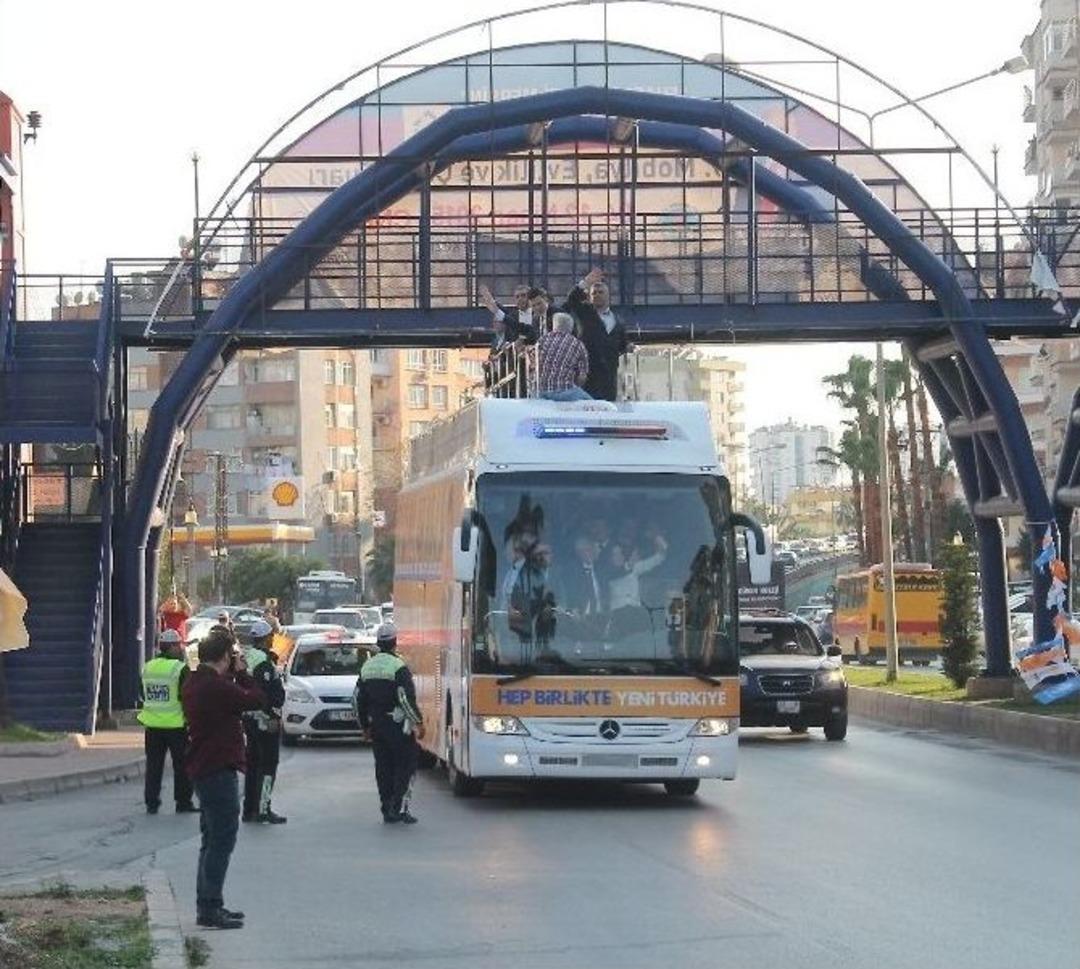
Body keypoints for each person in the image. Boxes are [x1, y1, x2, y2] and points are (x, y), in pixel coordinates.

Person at [181, 626, 267, 930]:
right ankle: (210, 907)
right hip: (217, 769)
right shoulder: (217, 687)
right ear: (224, 657)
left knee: (210, 840)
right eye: (233, 656)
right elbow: (257, 699)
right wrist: (243, 673)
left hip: (205, 767)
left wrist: (233, 672)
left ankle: (208, 904)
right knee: (221, 840)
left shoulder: (197, 681)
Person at [354, 624, 425, 824]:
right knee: (407, 765)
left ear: (378, 643)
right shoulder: (398, 666)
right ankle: (400, 809)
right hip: (398, 726)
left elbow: (358, 699)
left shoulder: (367, 666)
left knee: (383, 768)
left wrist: (364, 727)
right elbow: (404, 698)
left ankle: (386, 808)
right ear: (395, 642)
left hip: (377, 726)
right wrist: (418, 722)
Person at [139, 628, 197, 815]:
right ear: (171, 647)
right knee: (182, 766)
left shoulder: (148, 666)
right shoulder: (180, 669)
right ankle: (183, 802)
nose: (181, 649)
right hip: (176, 726)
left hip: (153, 726)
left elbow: (142, 693)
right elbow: (187, 697)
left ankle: (151, 802)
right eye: (178, 645)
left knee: (153, 766)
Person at [241, 619, 287, 825]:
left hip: (249, 719)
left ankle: (249, 809)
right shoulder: (263, 664)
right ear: (266, 638)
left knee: (252, 764)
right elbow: (268, 694)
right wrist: (274, 717)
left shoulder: (247, 657)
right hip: (264, 720)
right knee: (268, 765)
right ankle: (263, 808)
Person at [565, 267, 631, 402]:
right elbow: (571, 299)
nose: (597, 295)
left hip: (609, 379)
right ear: (589, 297)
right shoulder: (584, 313)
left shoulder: (618, 321)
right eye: (594, 293)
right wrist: (586, 282)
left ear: (608, 296)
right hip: (587, 377)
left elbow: (621, 345)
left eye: (601, 292)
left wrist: (628, 347)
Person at [607, 532, 668, 611]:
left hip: (636, 614)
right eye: (615, 554)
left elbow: (657, 559)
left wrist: (660, 544)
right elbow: (617, 575)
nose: (619, 556)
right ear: (609, 558)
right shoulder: (607, 573)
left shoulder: (634, 567)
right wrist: (629, 565)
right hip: (618, 616)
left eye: (620, 553)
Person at [537, 312, 591, 401]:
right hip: (565, 391)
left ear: (554, 325)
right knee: (594, 405)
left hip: (541, 392)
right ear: (571, 327)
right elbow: (582, 377)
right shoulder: (577, 344)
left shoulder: (542, 340)